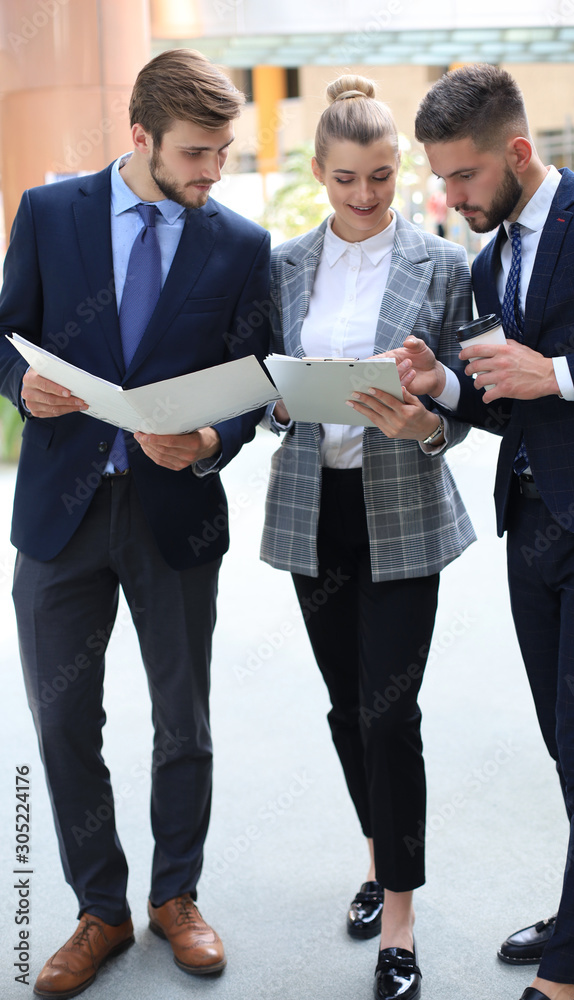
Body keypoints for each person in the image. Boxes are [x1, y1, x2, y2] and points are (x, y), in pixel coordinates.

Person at [350, 63, 574, 1000]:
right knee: (563, 738)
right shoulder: (489, 262)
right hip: (531, 526)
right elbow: (504, 400)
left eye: (462, 177)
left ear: (516, 153)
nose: (447, 197)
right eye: (440, 179)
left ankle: (569, 970)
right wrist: (438, 383)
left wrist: (560, 373)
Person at [0, 49, 270, 997]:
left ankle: (177, 897)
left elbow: (260, 380)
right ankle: (100, 909)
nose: (211, 173)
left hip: (176, 513)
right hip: (61, 516)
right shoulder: (49, 214)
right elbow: (5, 333)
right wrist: (19, 384)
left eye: (222, 154)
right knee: (65, 718)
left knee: (181, 719)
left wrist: (207, 437)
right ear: (141, 138)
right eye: (196, 153)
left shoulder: (237, 244)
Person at [260, 74, 475, 1000]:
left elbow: (460, 413)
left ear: (400, 172)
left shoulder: (442, 266)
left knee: (391, 713)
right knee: (347, 710)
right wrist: (275, 398)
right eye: (346, 179)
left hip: (402, 514)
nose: (363, 197)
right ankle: (377, 857)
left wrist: (423, 412)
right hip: (315, 510)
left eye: (381, 178)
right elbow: (269, 396)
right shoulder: (281, 267)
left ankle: (399, 919)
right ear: (318, 172)